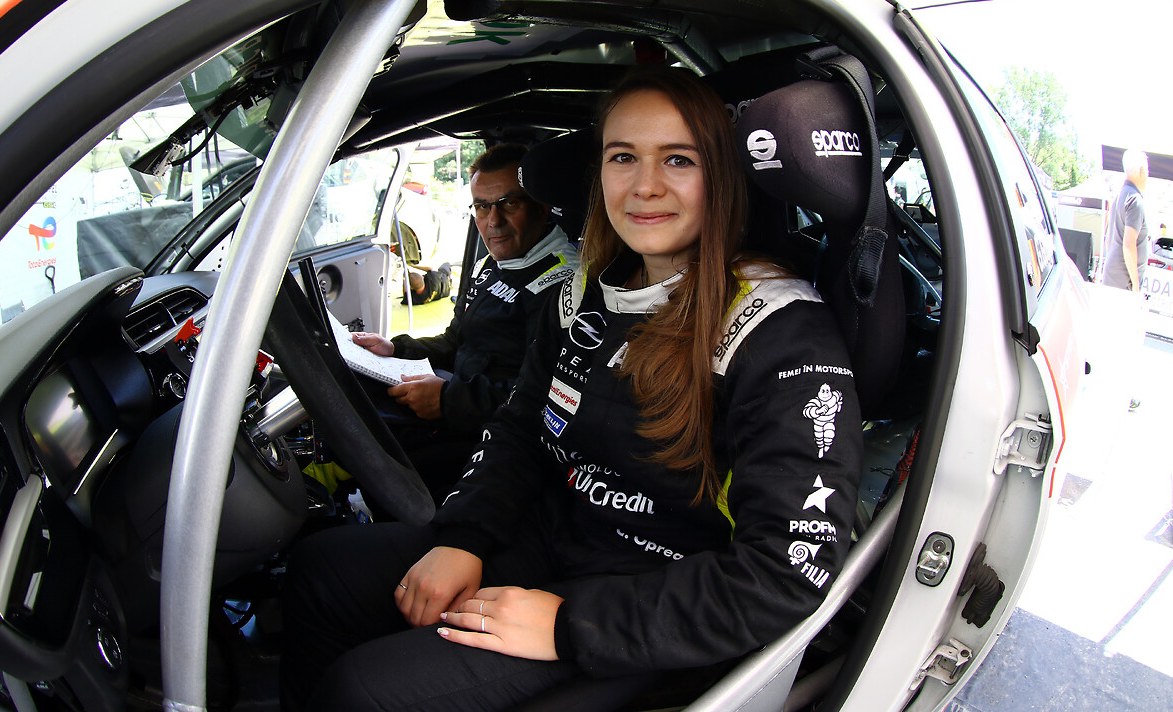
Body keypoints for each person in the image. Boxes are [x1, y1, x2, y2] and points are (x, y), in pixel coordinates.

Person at [280, 68, 863, 710]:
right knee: (318, 571)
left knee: (361, 692)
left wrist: (567, 624)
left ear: (721, 175)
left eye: (678, 159)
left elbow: (786, 573)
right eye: (623, 157)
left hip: (654, 594)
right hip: (551, 543)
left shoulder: (778, 330)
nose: (645, 186)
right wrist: (464, 536)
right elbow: (520, 426)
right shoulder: (585, 292)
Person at [352, 143, 578, 436]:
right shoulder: (489, 265)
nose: (493, 221)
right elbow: (456, 341)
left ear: (541, 206)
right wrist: (396, 348)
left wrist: (448, 399)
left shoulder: (564, 283)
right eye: (482, 207)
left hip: (501, 434)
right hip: (459, 400)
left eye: (509, 203)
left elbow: (549, 397)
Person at [1101, 148, 1150, 412]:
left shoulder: (1120, 195)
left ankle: (1111, 389)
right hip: (1124, 283)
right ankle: (1122, 395)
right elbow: (1129, 245)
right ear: (1142, 171)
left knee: (1112, 338)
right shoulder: (1136, 202)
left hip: (1112, 276)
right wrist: (1137, 285)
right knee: (1126, 340)